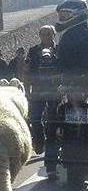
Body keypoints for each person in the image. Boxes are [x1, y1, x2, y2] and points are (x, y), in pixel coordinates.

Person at [25, 26, 60, 178]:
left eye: (48, 34)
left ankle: (50, 166)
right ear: (39, 35)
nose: (45, 36)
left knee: (52, 125)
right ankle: (39, 140)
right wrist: (27, 91)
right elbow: (26, 71)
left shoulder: (59, 50)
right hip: (38, 90)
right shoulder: (32, 51)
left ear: (53, 35)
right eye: (42, 34)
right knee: (34, 119)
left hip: (54, 91)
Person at [55, 0, 88, 85]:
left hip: (78, 79)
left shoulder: (79, 33)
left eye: (65, 14)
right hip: (74, 77)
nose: (61, 17)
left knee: (76, 98)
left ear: (78, 14)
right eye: (60, 14)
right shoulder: (71, 32)